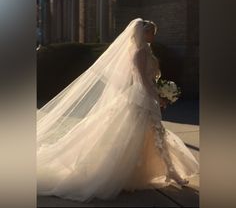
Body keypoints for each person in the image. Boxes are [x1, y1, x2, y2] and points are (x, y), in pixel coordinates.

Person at [37, 18, 199, 202]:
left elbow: (149, 78)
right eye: (151, 32)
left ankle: (167, 171)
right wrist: (157, 95)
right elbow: (141, 80)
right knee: (150, 133)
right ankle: (170, 172)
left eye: (154, 32)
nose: (154, 35)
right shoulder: (139, 53)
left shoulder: (145, 50)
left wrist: (159, 92)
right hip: (141, 97)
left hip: (146, 96)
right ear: (143, 33)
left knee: (152, 134)